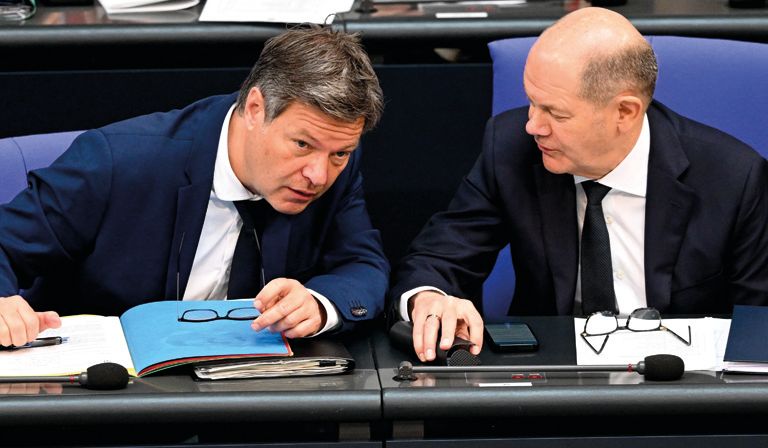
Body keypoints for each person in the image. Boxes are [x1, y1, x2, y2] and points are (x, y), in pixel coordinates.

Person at [389, 7, 768, 362]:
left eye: (555, 112)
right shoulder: (511, 148)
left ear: (625, 111)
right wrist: (429, 297)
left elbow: (758, 330)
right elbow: (439, 257)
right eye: (531, 102)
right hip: (551, 386)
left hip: (686, 392)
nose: (533, 125)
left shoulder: (734, 179)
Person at [0, 26, 389, 347]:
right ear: (255, 109)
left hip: (249, 400)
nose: (318, 175)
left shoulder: (334, 162)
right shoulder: (118, 162)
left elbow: (362, 264)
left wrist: (319, 305)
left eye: (339, 153)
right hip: (107, 396)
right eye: (302, 145)